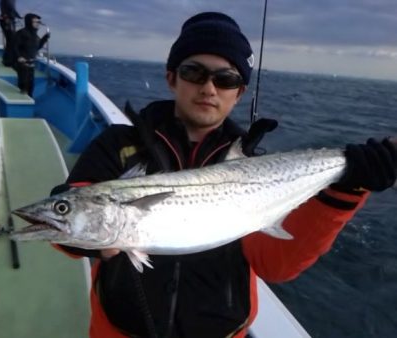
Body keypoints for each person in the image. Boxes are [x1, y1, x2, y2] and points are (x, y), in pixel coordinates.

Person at [52, 12, 397, 338]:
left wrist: (348, 189)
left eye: (226, 78)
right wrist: (66, 213)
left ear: (239, 92)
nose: (209, 88)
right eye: (193, 72)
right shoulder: (118, 144)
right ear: (171, 78)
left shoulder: (253, 166)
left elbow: (277, 265)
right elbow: (77, 208)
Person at [13, 13, 50, 97]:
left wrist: (45, 38)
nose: (38, 23)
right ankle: (22, 102)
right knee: (24, 85)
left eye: (38, 22)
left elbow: (36, 47)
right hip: (23, 64)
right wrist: (19, 57)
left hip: (31, 64)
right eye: (35, 22)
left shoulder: (35, 35)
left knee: (31, 86)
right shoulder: (21, 33)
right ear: (29, 22)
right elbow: (14, 47)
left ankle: (29, 100)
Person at [0, 0, 21, 66]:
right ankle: (8, 61)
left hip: (8, 20)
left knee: (10, 41)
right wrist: (18, 16)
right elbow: (11, 7)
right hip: (7, 21)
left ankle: (7, 60)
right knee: (12, 41)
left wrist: (18, 16)